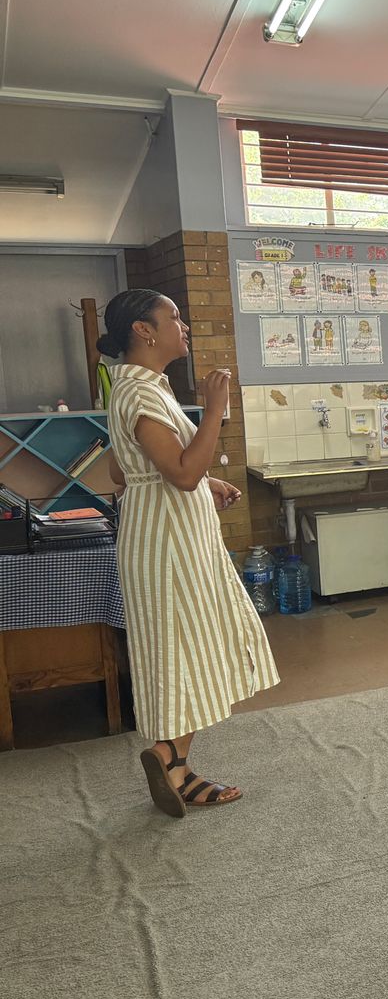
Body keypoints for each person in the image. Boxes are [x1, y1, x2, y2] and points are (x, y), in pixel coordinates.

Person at [98, 289, 279, 817]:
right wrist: (216, 410)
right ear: (143, 330)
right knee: (185, 649)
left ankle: (174, 761)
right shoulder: (141, 390)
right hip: (168, 543)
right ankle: (170, 759)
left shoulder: (140, 387)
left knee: (188, 648)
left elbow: (123, 469)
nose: (185, 326)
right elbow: (180, 473)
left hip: (166, 533)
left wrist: (208, 482)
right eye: (173, 317)